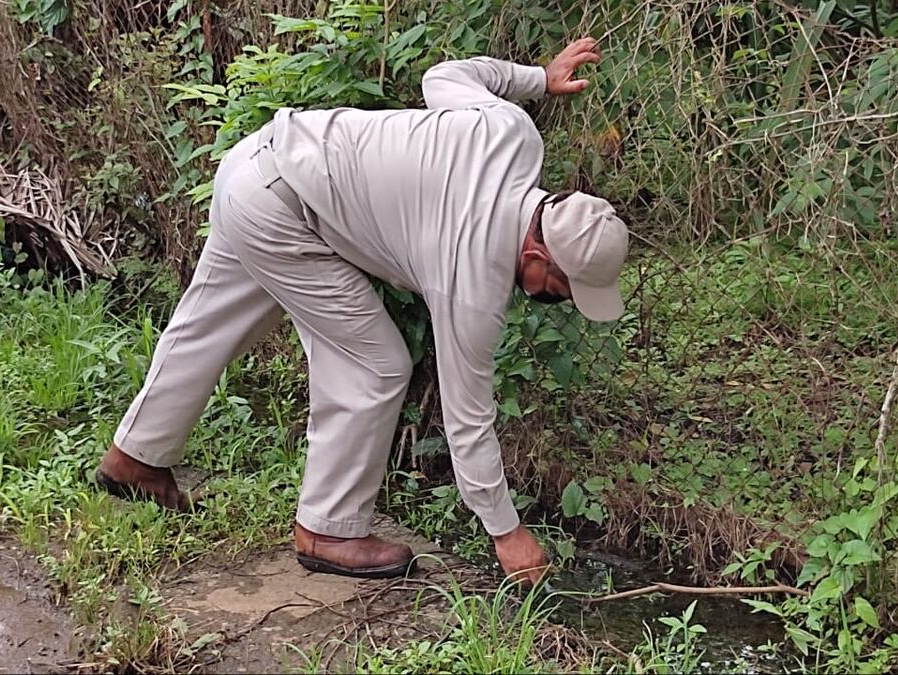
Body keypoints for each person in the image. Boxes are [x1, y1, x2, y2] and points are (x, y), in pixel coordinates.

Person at [93, 38, 629, 584]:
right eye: (564, 288)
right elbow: (467, 420)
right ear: (537, 254)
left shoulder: (513, 135)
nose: (561, 301)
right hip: (288, 211)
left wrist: (537, 78)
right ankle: (328, 530)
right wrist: (507, 533)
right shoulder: (473, 278)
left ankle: (136, 458)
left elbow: (443, 74)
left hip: (258, 165)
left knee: (210, 323)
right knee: (376, 365)